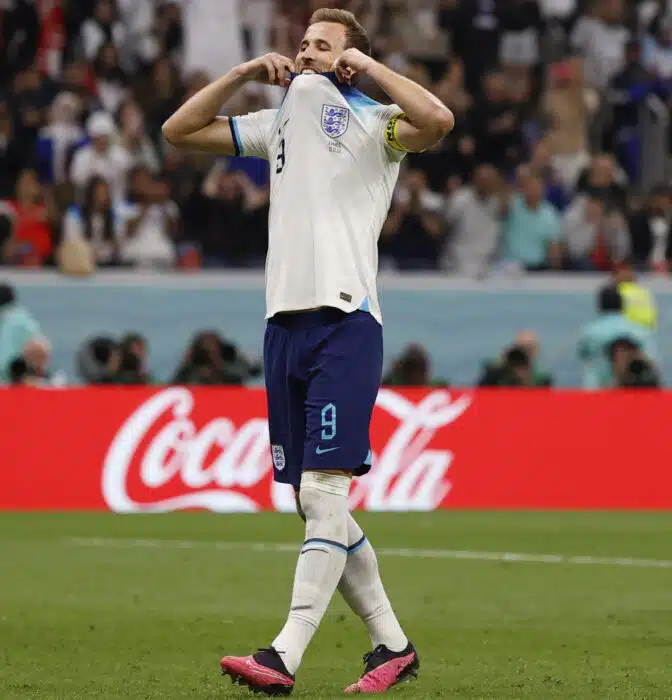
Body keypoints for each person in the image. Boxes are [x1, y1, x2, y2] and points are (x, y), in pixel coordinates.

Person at [163, 7, 454, 695]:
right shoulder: (278, 124)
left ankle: (283, 655)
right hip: (282, 326)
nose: (306, 53)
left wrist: (370, 69)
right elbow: (178, 131)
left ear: (348, 61)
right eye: (303, 43)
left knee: (324, 494)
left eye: (323, 46)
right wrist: (242, 72)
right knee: (311, 501)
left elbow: (438, 120)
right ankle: (393, 646)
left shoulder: (374, 123)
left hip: (344, 322)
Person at [577, 285, 657, 389]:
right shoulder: (640, 331)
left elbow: (582, 355)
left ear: (600, 306)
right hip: (635, 392)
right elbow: (652, 359)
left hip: (596, 389)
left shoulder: (589, 332)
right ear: (622, 305)